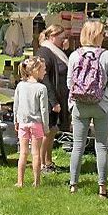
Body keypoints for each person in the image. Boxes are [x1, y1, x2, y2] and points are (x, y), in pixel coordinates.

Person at [66, 20, 108, 198]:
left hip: (79, 105)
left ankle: (73, 185)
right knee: (101, 146)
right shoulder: (107, 56)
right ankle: (102, 188)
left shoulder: (74, 55)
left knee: (77, 146)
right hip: (101, 105)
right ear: (97, 35)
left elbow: (69, 82)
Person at [37, 24, 70, 173]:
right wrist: (53, 101)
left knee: (52, 130)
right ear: (52, 37)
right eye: (62, 38)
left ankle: (48, 161)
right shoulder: (45, 51)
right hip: (49, 99)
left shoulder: (56, 51)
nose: (64, 40)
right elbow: (44, 78)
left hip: (57, 96)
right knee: (47, 132)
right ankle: (43, 163)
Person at [13, 56, 49, 188]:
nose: (45, 72)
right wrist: (45, 127)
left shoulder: (20, 86)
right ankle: (36, 182)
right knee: (36, 154)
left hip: (22, 123)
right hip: (36, 124)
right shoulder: (41, 88)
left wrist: (15, 120)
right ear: (36, 70)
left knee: (23, 153)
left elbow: (16, 105)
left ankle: (20, 181)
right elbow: (44, 110)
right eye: (43, 69)